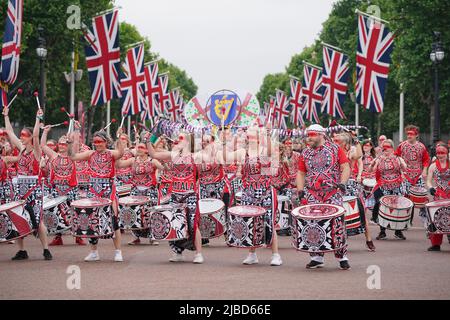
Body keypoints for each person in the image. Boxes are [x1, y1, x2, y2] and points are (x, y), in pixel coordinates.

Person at [224, 125, 283, 266]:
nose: (249, 138)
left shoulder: (263, 150)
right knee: (250, 222)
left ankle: (275, 254)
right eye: (248, 136)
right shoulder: (243, 153)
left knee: (269, 222)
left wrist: (267, 134)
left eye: (252, 136)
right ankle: (252, 253)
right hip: (248, 192)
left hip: (265, 191)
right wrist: (232, 138)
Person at [296, 124, 351, 270]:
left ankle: (342, 257)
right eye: (308, 135)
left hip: (332, 192)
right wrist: (300, 190)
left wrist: (343, 183)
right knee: (313, 224)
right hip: (313, 193)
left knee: (336, 224)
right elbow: (301, 173)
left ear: (321, 135)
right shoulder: (305, 153)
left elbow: (345, 167)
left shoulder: (335, 149)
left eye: (312, 135)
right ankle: (317, 257)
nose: (309, 138)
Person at [145, 130, 204, 264]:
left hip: (190, 195)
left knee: (193, 224)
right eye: (177, 138)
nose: (177, 140)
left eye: (181, 138)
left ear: (188, 142)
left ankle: (199, 253)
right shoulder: (173, 155)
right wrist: (149, 140)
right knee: (174, 223)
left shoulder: (196, 156)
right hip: (175, 194)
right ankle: (177, 252)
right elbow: (153, 154)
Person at [3, 106, 52, 260]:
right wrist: (6, 115)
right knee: (17, 217)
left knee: (38, 220)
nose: (21, 137)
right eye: (21, 135)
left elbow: (37, 136)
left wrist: (38, 119)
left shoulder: (36, 151)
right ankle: (22, 250)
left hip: (34, 188)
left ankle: (45, 249)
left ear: (30, 137)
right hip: (20, 188)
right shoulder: (22, 149)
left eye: (24, 135)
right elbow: (10, 132)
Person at [69, 130, 124, 262]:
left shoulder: (111, 154)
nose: (97, 144)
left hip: (108, 190)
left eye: (99, 142)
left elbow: (121, 153)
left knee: (113, 220)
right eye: (95, 142)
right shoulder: (90, 154)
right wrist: (70, 144)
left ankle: (118, 251)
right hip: (93, 190)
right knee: (91, 221)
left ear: (106, 142)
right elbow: (73, 157)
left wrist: (120, 138)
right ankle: (94, 252)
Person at [41, 126, 85, 246]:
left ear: (68, 146)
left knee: (75, 212)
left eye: (64, 144)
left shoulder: (72, 156)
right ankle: (58, 237)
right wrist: (45, 131)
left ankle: (78, 236)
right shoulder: (54, 155)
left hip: (70, 189)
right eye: (60, 144)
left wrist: (76, 129)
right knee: (57, 212)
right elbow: (43, 146)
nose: (61, 146)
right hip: (57, 188)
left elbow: (76, 142)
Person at [116, 141, 164, 245]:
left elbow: (164, 168)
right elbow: (119, 164)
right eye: (138, 147)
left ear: (147, 150)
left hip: (150, 191)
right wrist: (119, 151)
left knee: (151, 213)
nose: (138, 149)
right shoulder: (133, 160)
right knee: (135, 213)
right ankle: (135, 237)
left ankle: (153, 236)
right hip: (135, 190)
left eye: (141, 147)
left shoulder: (153, 161)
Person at [334, 132, 375, 251]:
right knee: (338, 214)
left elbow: (359, 155)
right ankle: (339, 241)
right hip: (337, 185)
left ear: (345, 143)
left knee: (361, 212)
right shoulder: (332, 152)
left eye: (338, 141)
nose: (336, 143)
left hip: (350, 184)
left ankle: (368, 239)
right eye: (335, 141)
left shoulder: (350, 152)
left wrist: (356, 140)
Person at [370, 139, 408, 240]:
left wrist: (403, 165)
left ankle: (398, 231)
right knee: (382, 206)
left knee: (398, 208)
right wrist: (373, 163)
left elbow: (405, 168)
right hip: (383, 185)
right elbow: (371, 170)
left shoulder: (398, 158)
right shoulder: (379, 159)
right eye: (384, 147)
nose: (385, 149)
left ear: (392, 148)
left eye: (388, 147)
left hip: (396, 185)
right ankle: (382, 231)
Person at [395, 125, 430, 226]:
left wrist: (425, 170)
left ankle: (424, 218)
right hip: (405, 176)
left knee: (421, 197)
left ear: (416, 135)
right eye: (408, 134)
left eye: (411, 134)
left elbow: (426, 160)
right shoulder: (401, 146)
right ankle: (405, 220)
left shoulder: (421, 146)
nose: (409, 136)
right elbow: (395, 157)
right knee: (404, 198)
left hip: (418, 175)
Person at [426, 143, 450, 251]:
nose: (440, 155)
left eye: (442, 153)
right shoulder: (433, 165)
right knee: (436, 218)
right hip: (439, 196)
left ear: (447, 153)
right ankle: (436, 244)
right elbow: (428, 180)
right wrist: (430, 187)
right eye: (438, 153)